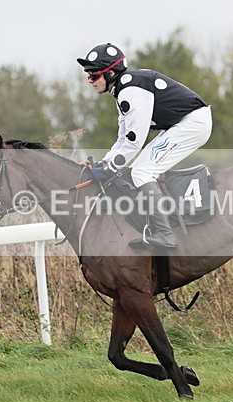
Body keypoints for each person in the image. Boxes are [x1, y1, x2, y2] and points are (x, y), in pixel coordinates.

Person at [77, 42, 213, 249]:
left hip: (193, 123)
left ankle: (165, 233)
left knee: (142, 172)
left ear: (111, 72)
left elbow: (134, 141)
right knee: (138, 170)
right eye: (88, 75)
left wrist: (110, 167)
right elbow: (123, 138)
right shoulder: (122, 89)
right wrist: (104, 164)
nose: (89, 80)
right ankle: (162, 221)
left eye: (94, 75)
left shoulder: (131, 88)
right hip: (183, 123)